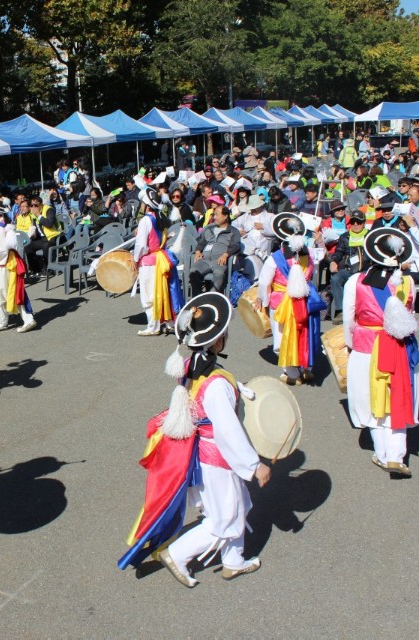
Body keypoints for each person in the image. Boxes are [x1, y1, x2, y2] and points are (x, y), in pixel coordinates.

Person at [118, 292, 271, 586]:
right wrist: (254, 466)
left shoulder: (190, 367)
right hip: (218, 458)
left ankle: (233, 560)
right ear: (216, 341)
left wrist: (237, 387)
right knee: (225, 517)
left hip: (198, 453)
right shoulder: (217, 386)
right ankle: (177, 553)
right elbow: (229, 431)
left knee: (234, 506)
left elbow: (207, 391)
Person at [342, 228, 419, 477]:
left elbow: (348, 320)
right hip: (399, 347)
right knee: (397, 397)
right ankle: (397, 456)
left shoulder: (355, 281)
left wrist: (350, 344)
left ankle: (382, 453)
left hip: (367, 346)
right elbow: (410, 313)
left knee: (368, 398)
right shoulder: (408, 282)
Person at [255, 213, 326, 385]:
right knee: (305, 333)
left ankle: (292, 373)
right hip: (305, 300)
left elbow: (264, 282)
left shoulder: (274, 258)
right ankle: (306, 368)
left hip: (281, 303)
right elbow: (321, 255)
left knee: (282, 335)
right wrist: (320, 241)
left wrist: (262, 300)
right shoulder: (308, 254)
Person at [132, 188, 183, 336]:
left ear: (145, 205)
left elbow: (141, 245)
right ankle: (167, 322)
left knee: (148, 295)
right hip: (161, 258)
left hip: (149, 260)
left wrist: (135, 259)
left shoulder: (145, 220)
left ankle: (153, 326)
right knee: (162, 292)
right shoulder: (161, 218)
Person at [0, 196, 37, 333]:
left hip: (2, 265)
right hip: (1, 264)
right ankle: (3, 321)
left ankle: (27, 319)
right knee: (0, 294)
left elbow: (2, 251)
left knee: (9, 293)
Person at [327, 211, 369, 323]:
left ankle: (365, 311)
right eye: (353, 222)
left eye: (359, 222)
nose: (355, 224)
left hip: (365, 270)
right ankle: (340, 310)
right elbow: (338, 252)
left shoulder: (370, 236)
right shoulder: (345, 237)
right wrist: (333, 261)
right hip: (349, 269)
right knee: (336, 279)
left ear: (363, 223)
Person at [190, 205, 241, 295]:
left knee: (219, 274)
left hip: (219, 260)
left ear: (225, 216)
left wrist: (226, 254)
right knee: (194, 271)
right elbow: (201, 243)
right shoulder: (209, 229)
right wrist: (198, 251)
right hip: (204, 259)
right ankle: (197, 298)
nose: (214, 217)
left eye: (217, 215)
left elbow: (236, 245)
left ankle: (212, 297)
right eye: (214, 215)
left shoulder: (233, 231)